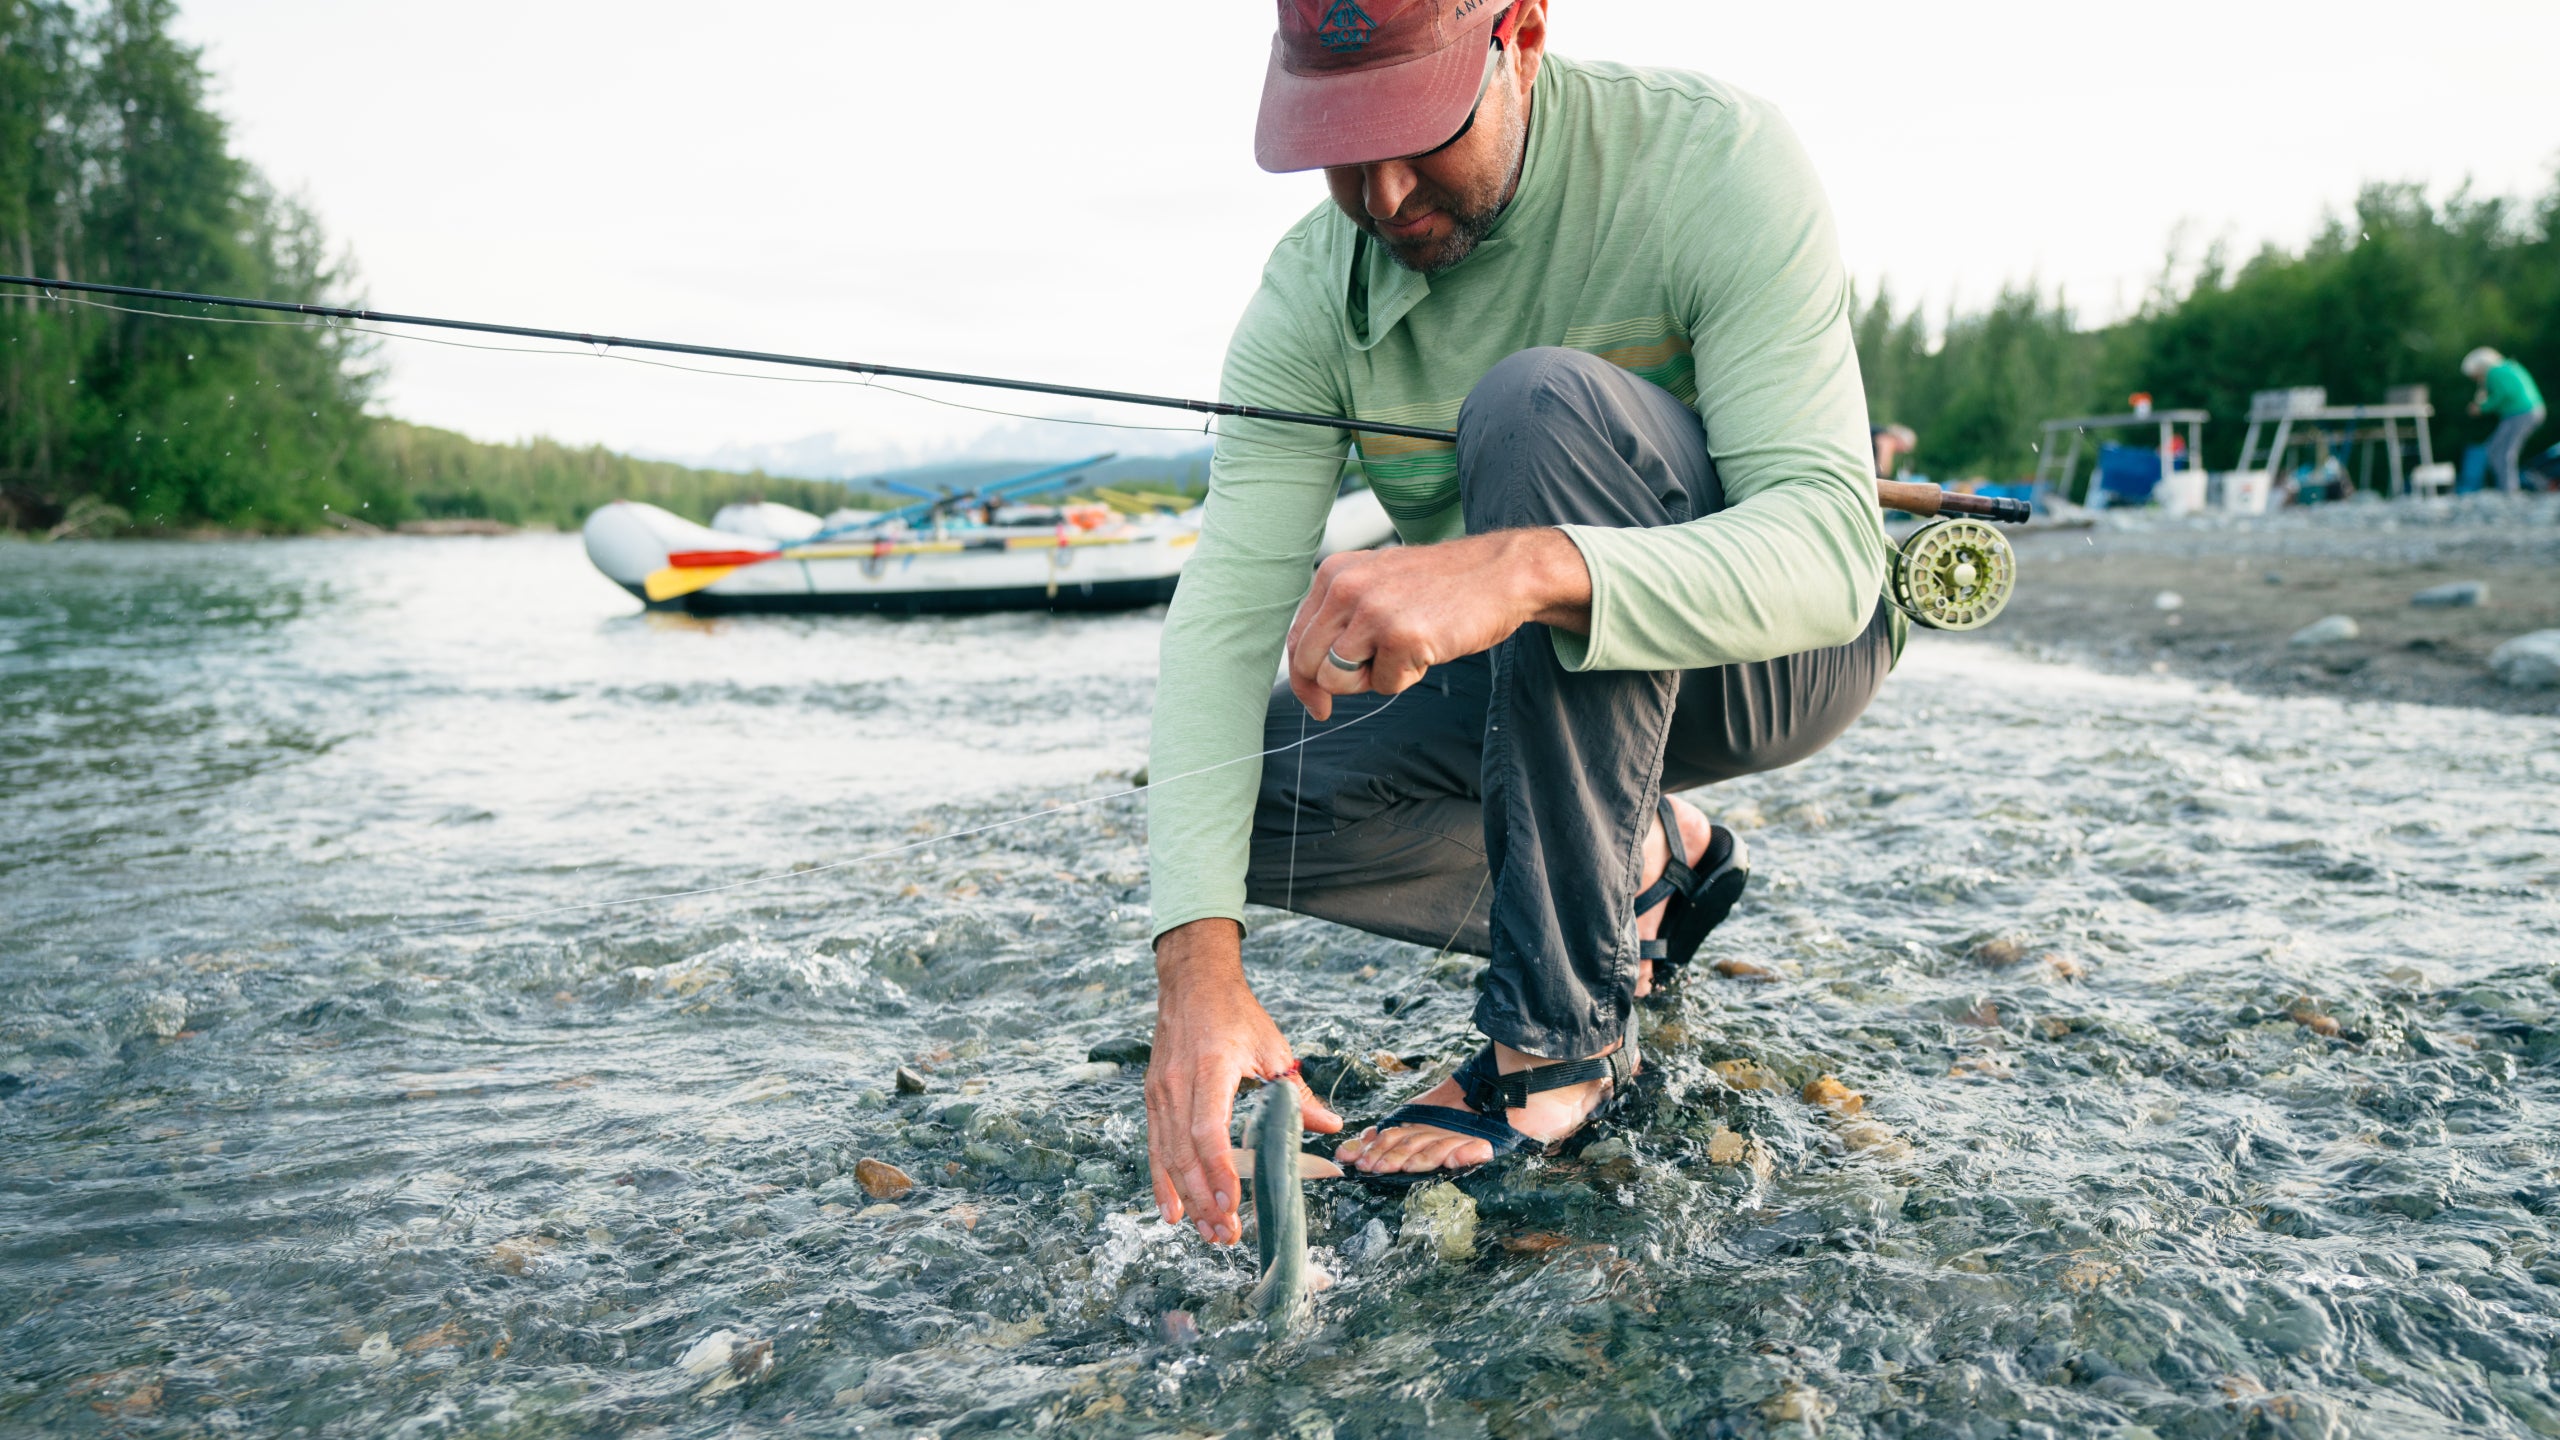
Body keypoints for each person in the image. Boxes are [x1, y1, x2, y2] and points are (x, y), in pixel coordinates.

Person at [1144, 0, 1895, 1247]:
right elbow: (1221, 630)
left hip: (1772, 658)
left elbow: (1828, 555)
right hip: (1534, 697)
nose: (1380, 193)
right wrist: (1196, 971)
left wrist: (1529, 568)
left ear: (1522, 36)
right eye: (1337, 142)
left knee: (1537, 404)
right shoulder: (1306, 295)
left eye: (1414, 129)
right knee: (1244, 801)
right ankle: (1647, 866)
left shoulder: (1712, 157)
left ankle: (1557, 1046)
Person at [2466, 348, 2546, 493]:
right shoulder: (2507, 367)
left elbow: (2504, 393)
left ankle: (2509, 490)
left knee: (2503, 451)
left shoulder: (2494, 372)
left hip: (2520, 413)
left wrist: (2482, 408)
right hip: (2530, 411)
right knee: (2495, 448)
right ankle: (2507, 488)